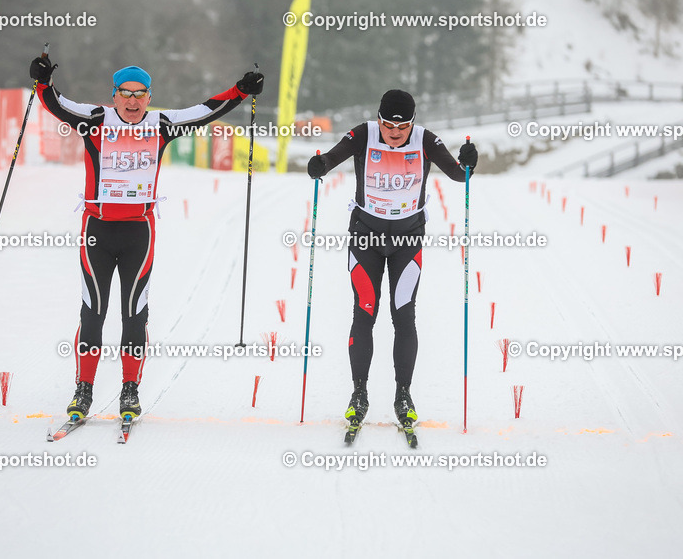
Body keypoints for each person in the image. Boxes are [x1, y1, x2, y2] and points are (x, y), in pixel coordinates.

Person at [29, 54, 264, 420]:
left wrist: (240, 90)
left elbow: (205, 110)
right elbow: (55, 104)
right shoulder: (95, 121)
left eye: (141, 94)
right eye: (126, 93)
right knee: (92, 313)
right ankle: (84, 390)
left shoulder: (162, 125)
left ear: (149, 97)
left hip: (140, 231)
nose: (134, 101)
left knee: (134, 314)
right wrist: (42, 81)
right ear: (115, 96)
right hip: (97, 230)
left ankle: (129, 391)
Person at [306, 89, 477, 427]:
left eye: (403, 128)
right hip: (365, 236)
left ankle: (403, 393)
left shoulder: (425, 140)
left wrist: (470, 161)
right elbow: (330, 158)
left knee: (403, 315)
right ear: (379, 119)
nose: (395, 134)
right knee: (364, 311)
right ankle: (359, 392)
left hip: (407, 239)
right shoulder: (363, 134)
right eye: (388, 126)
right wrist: (319, 165)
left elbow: (460, 175)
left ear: (412, 123)